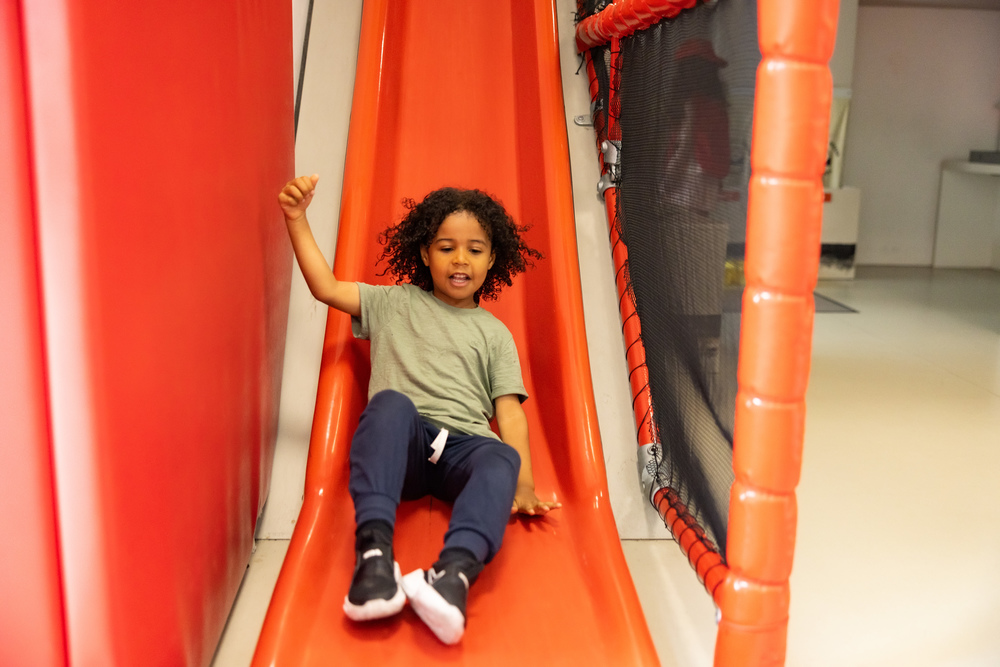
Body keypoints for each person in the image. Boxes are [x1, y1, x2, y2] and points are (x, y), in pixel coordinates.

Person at [278, 175, 560, 645]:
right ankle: (374, 559)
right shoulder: (392, 303)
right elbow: (325, 287)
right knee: (389, 405)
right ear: (425, 253)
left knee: (501, 457)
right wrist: (296, 219)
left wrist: (524, 483)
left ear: (493, 259)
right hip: (404, 448)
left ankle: (452, 576)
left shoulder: (494, 334)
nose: (460, 259)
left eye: (474, 249)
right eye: (446, 247)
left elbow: (509, 415)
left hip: (464, 451)